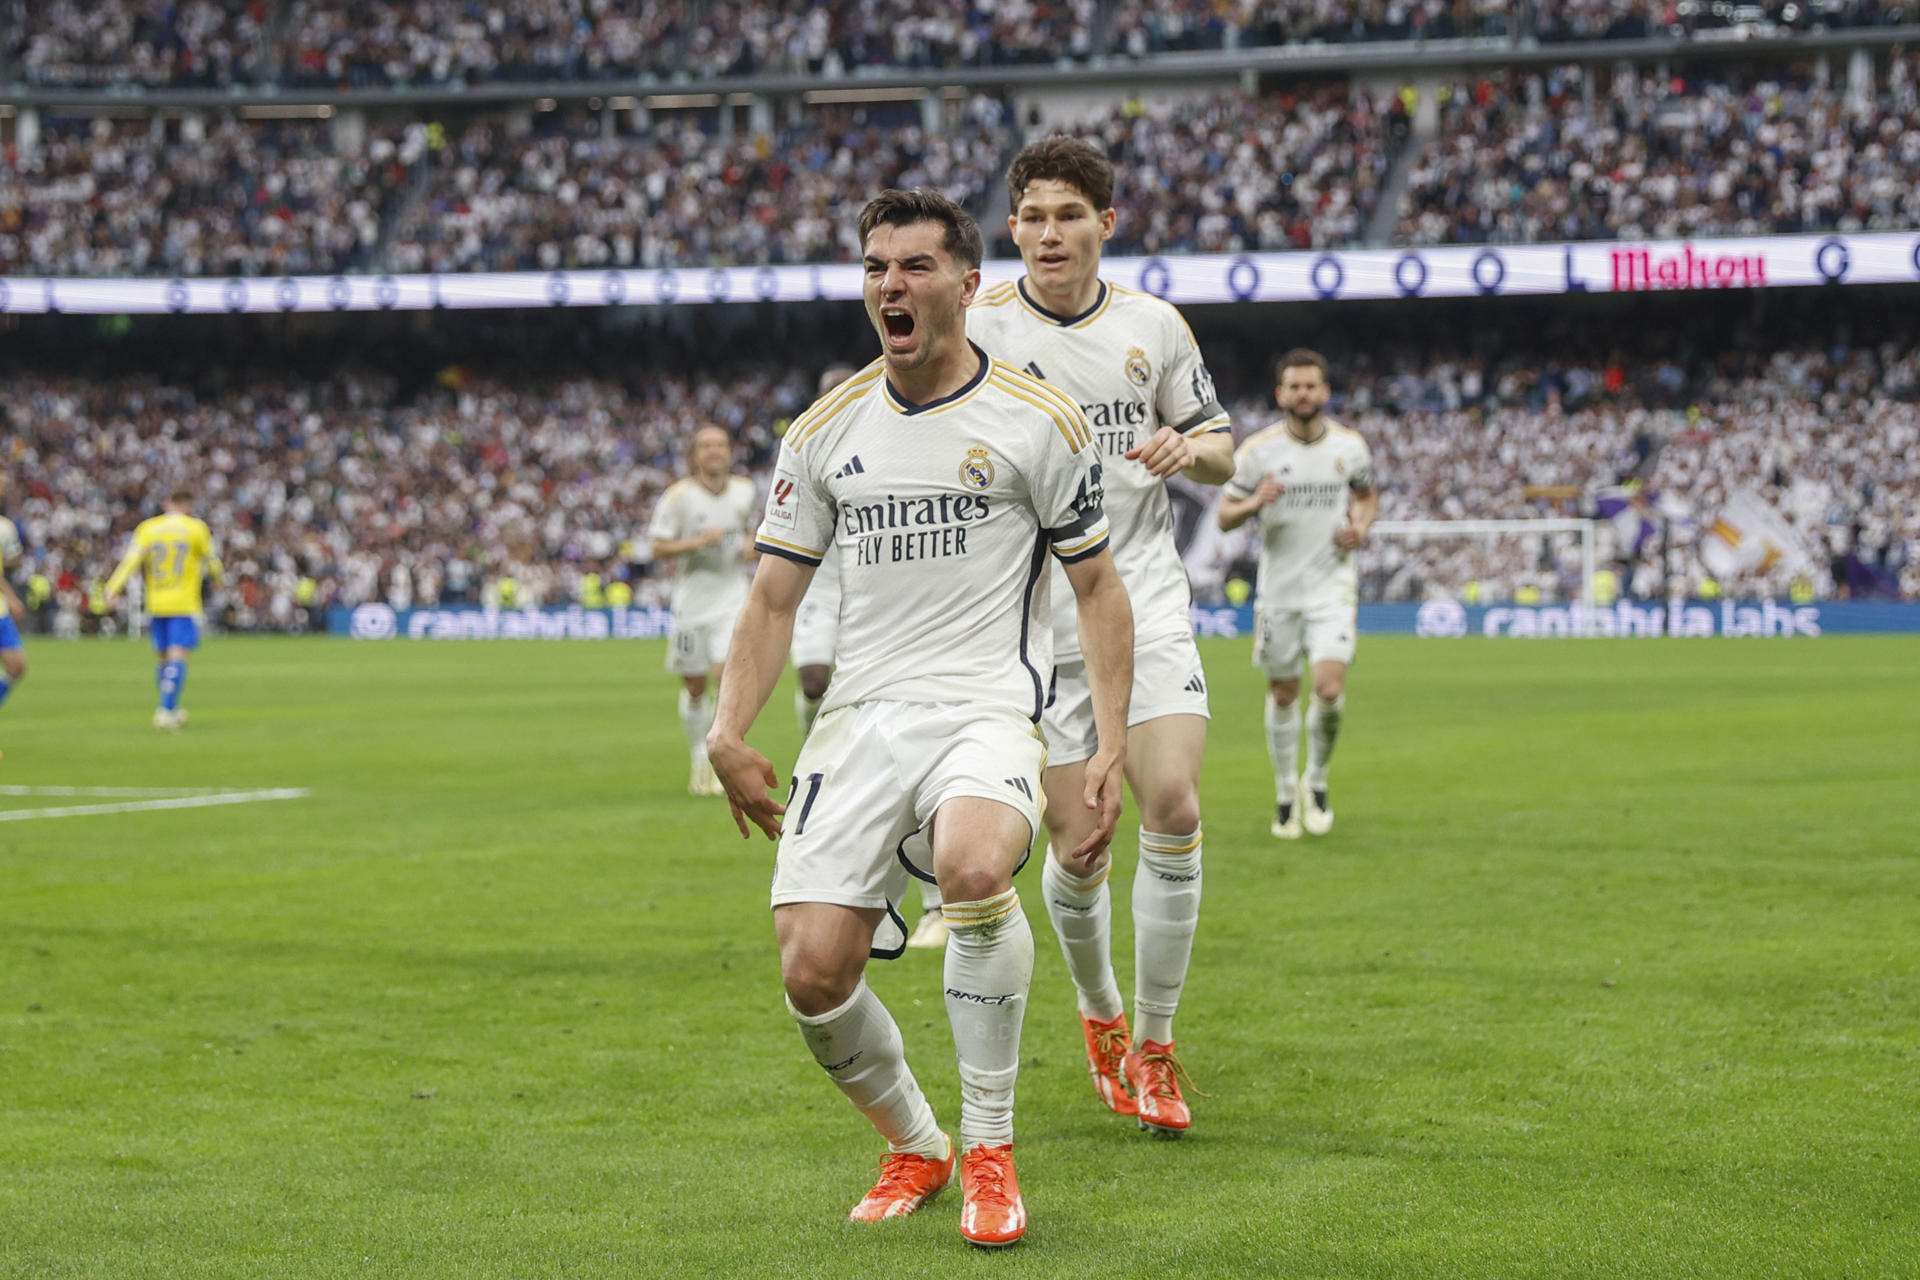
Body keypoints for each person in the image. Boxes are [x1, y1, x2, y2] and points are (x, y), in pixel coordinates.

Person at [706, 188, 1133, 1249]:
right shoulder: (825, 430)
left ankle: (991, 1146)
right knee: (812, 972)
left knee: (976, 866)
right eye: (875, 268)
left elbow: (1097, 587)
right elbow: (771, 599)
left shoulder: (1038, 420)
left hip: (987, 706)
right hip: (861, 716)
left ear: (967, 284)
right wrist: (726, 728)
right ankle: (916, 1141)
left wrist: (1110, 744)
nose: (890, 285)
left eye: (914, 266)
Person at [966, 135, 1234, 1137]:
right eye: (1032, 216)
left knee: (1173, 800)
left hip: (1143, 598)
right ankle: (1101, 1013)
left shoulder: (1152, 326)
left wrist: (1188, 447)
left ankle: (1156, 1045)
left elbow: (1222, 445)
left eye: (1069, 215)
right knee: (1080, 845)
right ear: (1012, 228)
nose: (1049, 233)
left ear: (1105, 224)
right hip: (1033, 623)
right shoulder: (978, 324)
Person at [789, 363, 952, 952]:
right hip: (823, 589)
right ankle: (820, 737)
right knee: (815, 681)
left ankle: (933, 904)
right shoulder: (808, 446)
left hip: (887, 606)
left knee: (913, 748)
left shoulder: (901, 442)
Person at [1217, 349, 1377, 837]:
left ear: (1325, 392)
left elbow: (1366, 496)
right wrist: (1254, 502)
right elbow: (1224, 516)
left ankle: (1317, 780)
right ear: (1280, 393)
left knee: (1328, 688)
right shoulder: (1258, 452)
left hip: (1333, 586)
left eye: (1311, 386)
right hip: (1280, 592)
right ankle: (1286, 791)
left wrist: (1360, 527)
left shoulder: (1350, 447)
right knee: (1284, 693)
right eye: (1295, 386)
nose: (1303, 394)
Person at [647, 423, 758, 796]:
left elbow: (751, 531)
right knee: (695, 686)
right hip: (692, 604)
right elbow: (657, 547)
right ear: (695, 455)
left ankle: (719, 758)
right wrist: (697, 542)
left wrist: (749, 545)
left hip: (733, 598)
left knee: (726, 677)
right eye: (707, 445)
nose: (715, 451)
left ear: (729, 451)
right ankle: (698, 754)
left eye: (721, 445)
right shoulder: (678, 497)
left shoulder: (745, 490)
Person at [103, 489, 224, 731]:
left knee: (162, 658)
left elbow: (131, 561)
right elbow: (211, 561)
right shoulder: (195, 528)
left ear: (168, 503)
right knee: (177, 656)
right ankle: (165, 709)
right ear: (189, 505)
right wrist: (218, 578)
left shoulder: (148, 528)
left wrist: (112, 588)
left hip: (156, 602)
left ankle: (173, 706)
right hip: (183, 602)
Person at [0, 477, 30, 727]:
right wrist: (11, 597)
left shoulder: (6, 527)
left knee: (17, 665)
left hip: (0, 610)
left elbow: (13, 558)